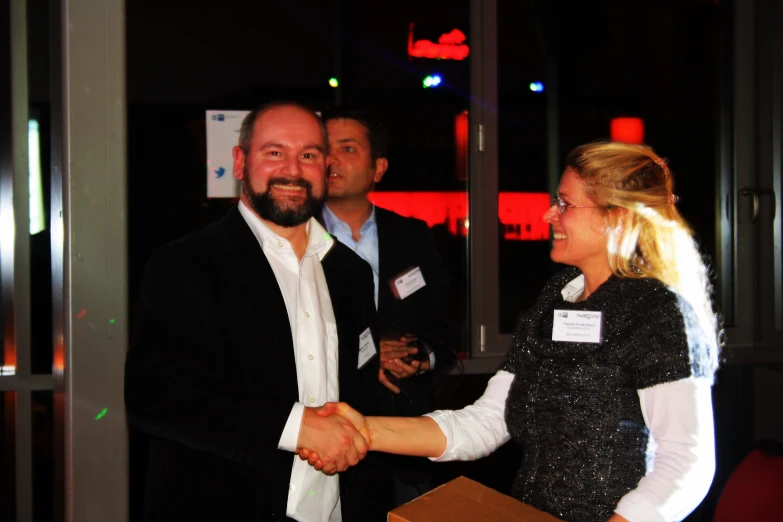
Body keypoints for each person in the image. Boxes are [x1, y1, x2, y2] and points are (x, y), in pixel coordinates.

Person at [300, 141, 721, 522]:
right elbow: (485, 423)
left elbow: (687, 462)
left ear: (618, 218)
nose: (548, 214)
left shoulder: (658, 312)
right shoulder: (558, 296)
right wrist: (361, 430)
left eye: (565, 203)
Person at [124, 101, 391, 522]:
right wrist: (296, 425)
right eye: (274, 152)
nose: (293, 169)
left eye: (308, 155)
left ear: (326, 168)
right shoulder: (187, 263)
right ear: (240, 161)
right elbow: (155, 393)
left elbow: (362, 392)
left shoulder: (351, 273)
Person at [319, 107, 457, 505]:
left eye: (347, 149)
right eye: (324, 149)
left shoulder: (413, 237)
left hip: (403, 425)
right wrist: (365, 355)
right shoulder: (296, 235)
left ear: (378, 169)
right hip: (325, 429)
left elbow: (443, 328)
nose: (331, 160)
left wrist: (418, 357)